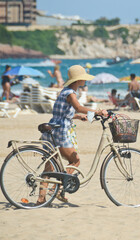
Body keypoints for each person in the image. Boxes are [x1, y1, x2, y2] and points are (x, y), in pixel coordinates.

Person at [37, 65, 108, 204]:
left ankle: (41, 199)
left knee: (49, 166)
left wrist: (77, 117)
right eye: (83, 79)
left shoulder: (64, 91)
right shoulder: (71, 93)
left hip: (52, 127)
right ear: (78, 80)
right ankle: (56, 190)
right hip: (60, 131)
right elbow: (78, 107)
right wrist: (97, 112)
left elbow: (62, 113)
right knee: (75, 161)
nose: (85, 81)